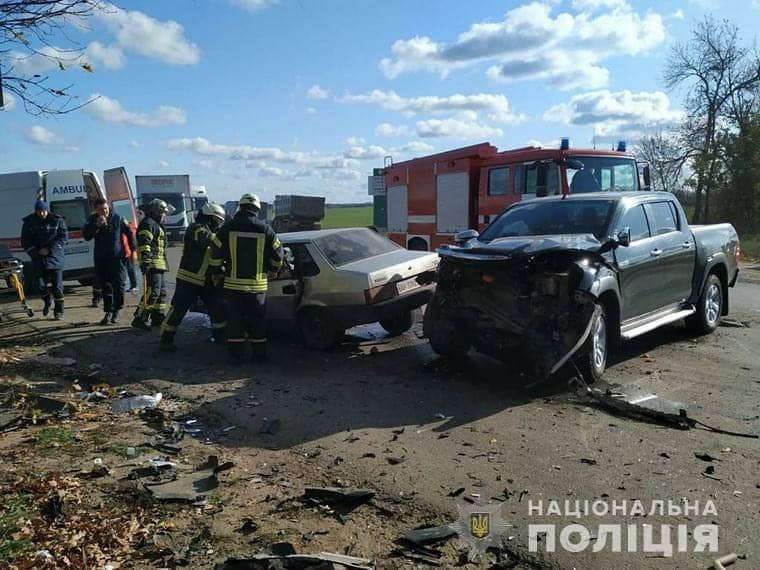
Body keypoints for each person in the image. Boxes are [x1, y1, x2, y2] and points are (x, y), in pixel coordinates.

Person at [209, 193, 283, 364]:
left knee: (235, 322)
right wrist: (273, 270)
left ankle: (236, 357)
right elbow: (278, 253)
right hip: (257, 287)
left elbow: (215, 250)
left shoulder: (228, 227)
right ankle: (259, 356)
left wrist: (217, 271)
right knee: (258, 322)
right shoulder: (265, 229)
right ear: (257, 209)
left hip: (233, 287)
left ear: (240, 207)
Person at [159, 202, 227, 351]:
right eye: (218, 221)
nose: (219, 224)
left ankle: (220, 336)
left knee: (216, 308)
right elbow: (210, 240)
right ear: (211, 218)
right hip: (189, 279)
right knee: (179, 309)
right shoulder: (195, 229)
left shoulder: (206, 229)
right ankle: (166, 339)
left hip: (205, 280)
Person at [83, 198, 137, 325]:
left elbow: (129, 234)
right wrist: (96, 225)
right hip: (101, 258)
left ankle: (117, 309)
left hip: (117, 258)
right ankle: (108, 312)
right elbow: (86, 236)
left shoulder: (117, 218)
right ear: (96, 210)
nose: (104, 211)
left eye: (106, 208)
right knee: (106, 286)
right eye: (101, 209)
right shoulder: (92, 220)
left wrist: (133, 251)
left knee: (119, 285)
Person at [20, 200, 68, 320]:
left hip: (55, 258)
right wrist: (36, 252)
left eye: (43, 211)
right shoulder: (29, 222)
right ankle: (47, 300)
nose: (41, 213)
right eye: (39, 211)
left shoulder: (57, 220)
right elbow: (25, 241)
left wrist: (50, 249)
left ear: (47, 210)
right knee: (39, 285)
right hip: (38, 258)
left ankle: (59, 311)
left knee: (57, 288)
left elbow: (63, 238)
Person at [132, 199, 173, 331]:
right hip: (152, 264)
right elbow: (144, 244)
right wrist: (146, 261)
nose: (164, 215)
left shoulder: (156, 224)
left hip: (159, 264)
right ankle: (139, 318)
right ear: (156, 212)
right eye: (163, 212)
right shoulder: (148, 224)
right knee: (152, 292)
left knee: (161, 293)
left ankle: (158, 318)